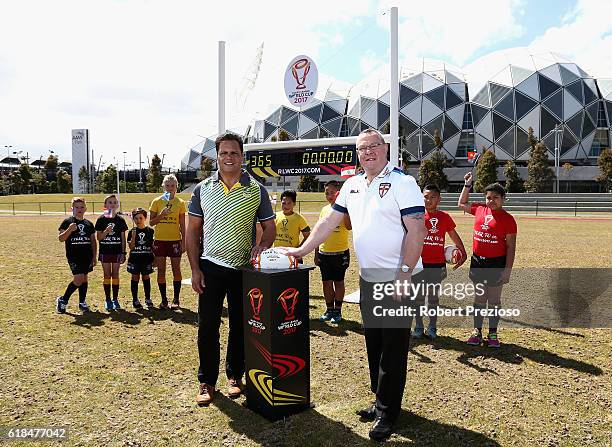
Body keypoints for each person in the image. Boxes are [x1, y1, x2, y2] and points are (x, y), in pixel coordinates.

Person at [284, 129, 427, 441]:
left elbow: (417, 230)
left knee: (392, 348)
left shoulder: (404, 183)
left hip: (398, 278)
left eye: (373, 146)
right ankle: (380, 401)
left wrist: (404, 272)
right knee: (373, 344)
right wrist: (301, 250)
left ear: (385, 148)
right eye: (362, 149)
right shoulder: (352, 184)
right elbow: (327, 223)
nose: (368, 152)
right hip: (369, 278)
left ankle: (388, 413)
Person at [186, 131, 275, 406]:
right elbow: (191, 232)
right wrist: (195, 270)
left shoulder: (256, 189)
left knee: (240, 325)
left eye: (234, 153)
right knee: (207, 326)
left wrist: (262, 245)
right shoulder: (202, 189)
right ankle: (207, 381)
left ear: (242, 156)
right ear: (217, 156)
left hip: (242, 269)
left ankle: (235, 376)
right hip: (210, 267)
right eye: (223, 153)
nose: (228, 157)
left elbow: (269, 227)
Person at [458, 172, 517, 348]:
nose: (491, 201)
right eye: (488, 197)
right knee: (479, 299)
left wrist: (507, 271)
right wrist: (467, 185)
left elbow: (511, 248)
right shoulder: (479, 209)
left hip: (496, 263)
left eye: (496, 198)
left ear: (503, 199)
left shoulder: (508, 220)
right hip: (478, 262)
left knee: (494, 300)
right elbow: (461, 203)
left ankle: (493, 333)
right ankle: (477, 332)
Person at [413, 184, 467, 339]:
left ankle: (432, 327)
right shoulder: (416, 216)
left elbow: (453, 235)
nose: (428, 200)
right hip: (419, 263)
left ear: (439, 199)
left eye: (433, 197)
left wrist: (462, 252)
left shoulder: (444, 217)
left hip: (436, 264)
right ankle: (418, 326)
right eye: (426, 196)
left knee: (433, 297)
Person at [315, 180, 351, 324]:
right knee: (326, 283)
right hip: (324, 254)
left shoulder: (344, 209)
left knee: (339, 282)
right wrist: (317, 253)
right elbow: (318, 232)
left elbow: (349, 227)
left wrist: (346, 211)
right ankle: (329, 309)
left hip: (340, 253)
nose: (329, 195)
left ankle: (338, 310)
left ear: (338, 193)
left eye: (332, 193)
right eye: (326, 193)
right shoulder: (324, 210)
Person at [149, 174, 186, 309]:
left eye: (173, 186)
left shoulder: (180, 203)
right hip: (160, 241)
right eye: (167, 186)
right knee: (161, 271)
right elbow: (151, 222)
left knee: (176, 269)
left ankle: (176, 299)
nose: (170, 188)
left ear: (177, 187)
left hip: (175, 240)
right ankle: (164, 300)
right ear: (163, 187)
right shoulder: (157, 202)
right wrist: (162, 215)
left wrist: (184, 241)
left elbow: (182, 224)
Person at [56, 197, 97, 314]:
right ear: (72, 208)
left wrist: (94, 256)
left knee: (84, 278)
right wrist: (69, 230)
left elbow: (93, 241)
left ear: (85, 208)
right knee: (78, 279)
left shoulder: (88, 224)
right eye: (77, 207)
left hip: (87, 256)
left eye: (82, 207)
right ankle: (63, 300)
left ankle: (82, 302)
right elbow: (61, 238)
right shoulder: (68, 222)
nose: (79, 209)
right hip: (74, 256)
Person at [95, 195, 128, 311]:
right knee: (107, 275)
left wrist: (124, 253)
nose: (112, 204)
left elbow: (123, 238)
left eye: (115, 202)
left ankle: (115, 299)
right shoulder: (101, 219)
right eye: (110, 202)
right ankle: (107, 299)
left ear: (117, 205)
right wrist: (106, 231)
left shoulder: (120, 220)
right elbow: (99, 237)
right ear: (105, 205)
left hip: (117, 251)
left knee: (115, 274)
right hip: (105, 251)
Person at [127, 208, 155, 309]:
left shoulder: (150, 231)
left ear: (145, 218)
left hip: (147, 258)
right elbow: (131, 247)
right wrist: (134, 236)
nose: (138, 220)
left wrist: (154, 259)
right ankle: (135, 299)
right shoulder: (132, 232)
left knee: (146, 277)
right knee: (135, 277)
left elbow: (152, 246)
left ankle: (148, 298)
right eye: (136, 218)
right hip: (135, 259)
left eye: (140, 218)